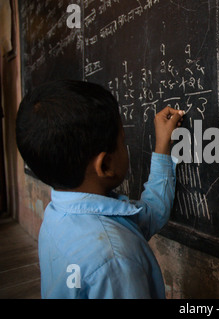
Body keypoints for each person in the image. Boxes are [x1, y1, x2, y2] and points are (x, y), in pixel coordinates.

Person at [15, 80, 184, 298]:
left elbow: (152, 214)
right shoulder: (116, 261)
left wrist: (163, 147)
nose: (125, 147)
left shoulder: (58, 216)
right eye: (123, 142)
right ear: (105, 165)